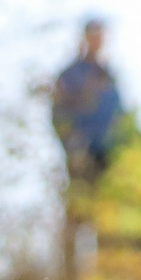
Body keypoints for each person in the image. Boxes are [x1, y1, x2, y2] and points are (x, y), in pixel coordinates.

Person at [51, 19, 124, 188]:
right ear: (85, 38)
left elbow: (119, 114)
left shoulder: (108, 75)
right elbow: (59, 115)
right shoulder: (71, 76)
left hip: (110, 157)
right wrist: (75, 147)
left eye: (101, 37)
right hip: (82, 159)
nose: (98, 41)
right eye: (94, 36)